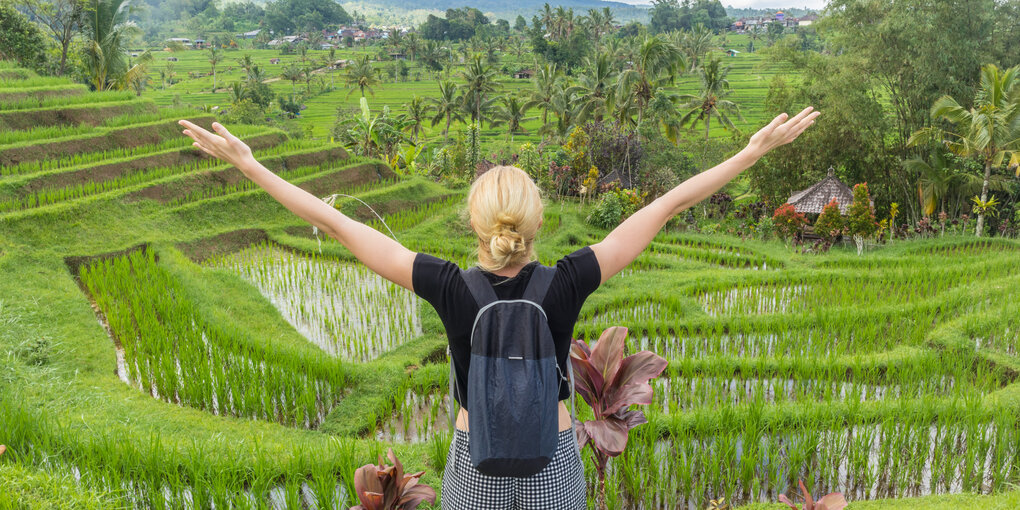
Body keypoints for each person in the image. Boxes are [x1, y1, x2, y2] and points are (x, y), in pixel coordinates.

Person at [179, 106, 819, 508]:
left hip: (473, 469)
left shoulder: (450, 286)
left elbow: (337, 223)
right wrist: (752, 151)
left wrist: (251, 164)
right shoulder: (568, 280)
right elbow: (665, 207)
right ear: (538, 222)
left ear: (475, 226)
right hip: (554, 466)